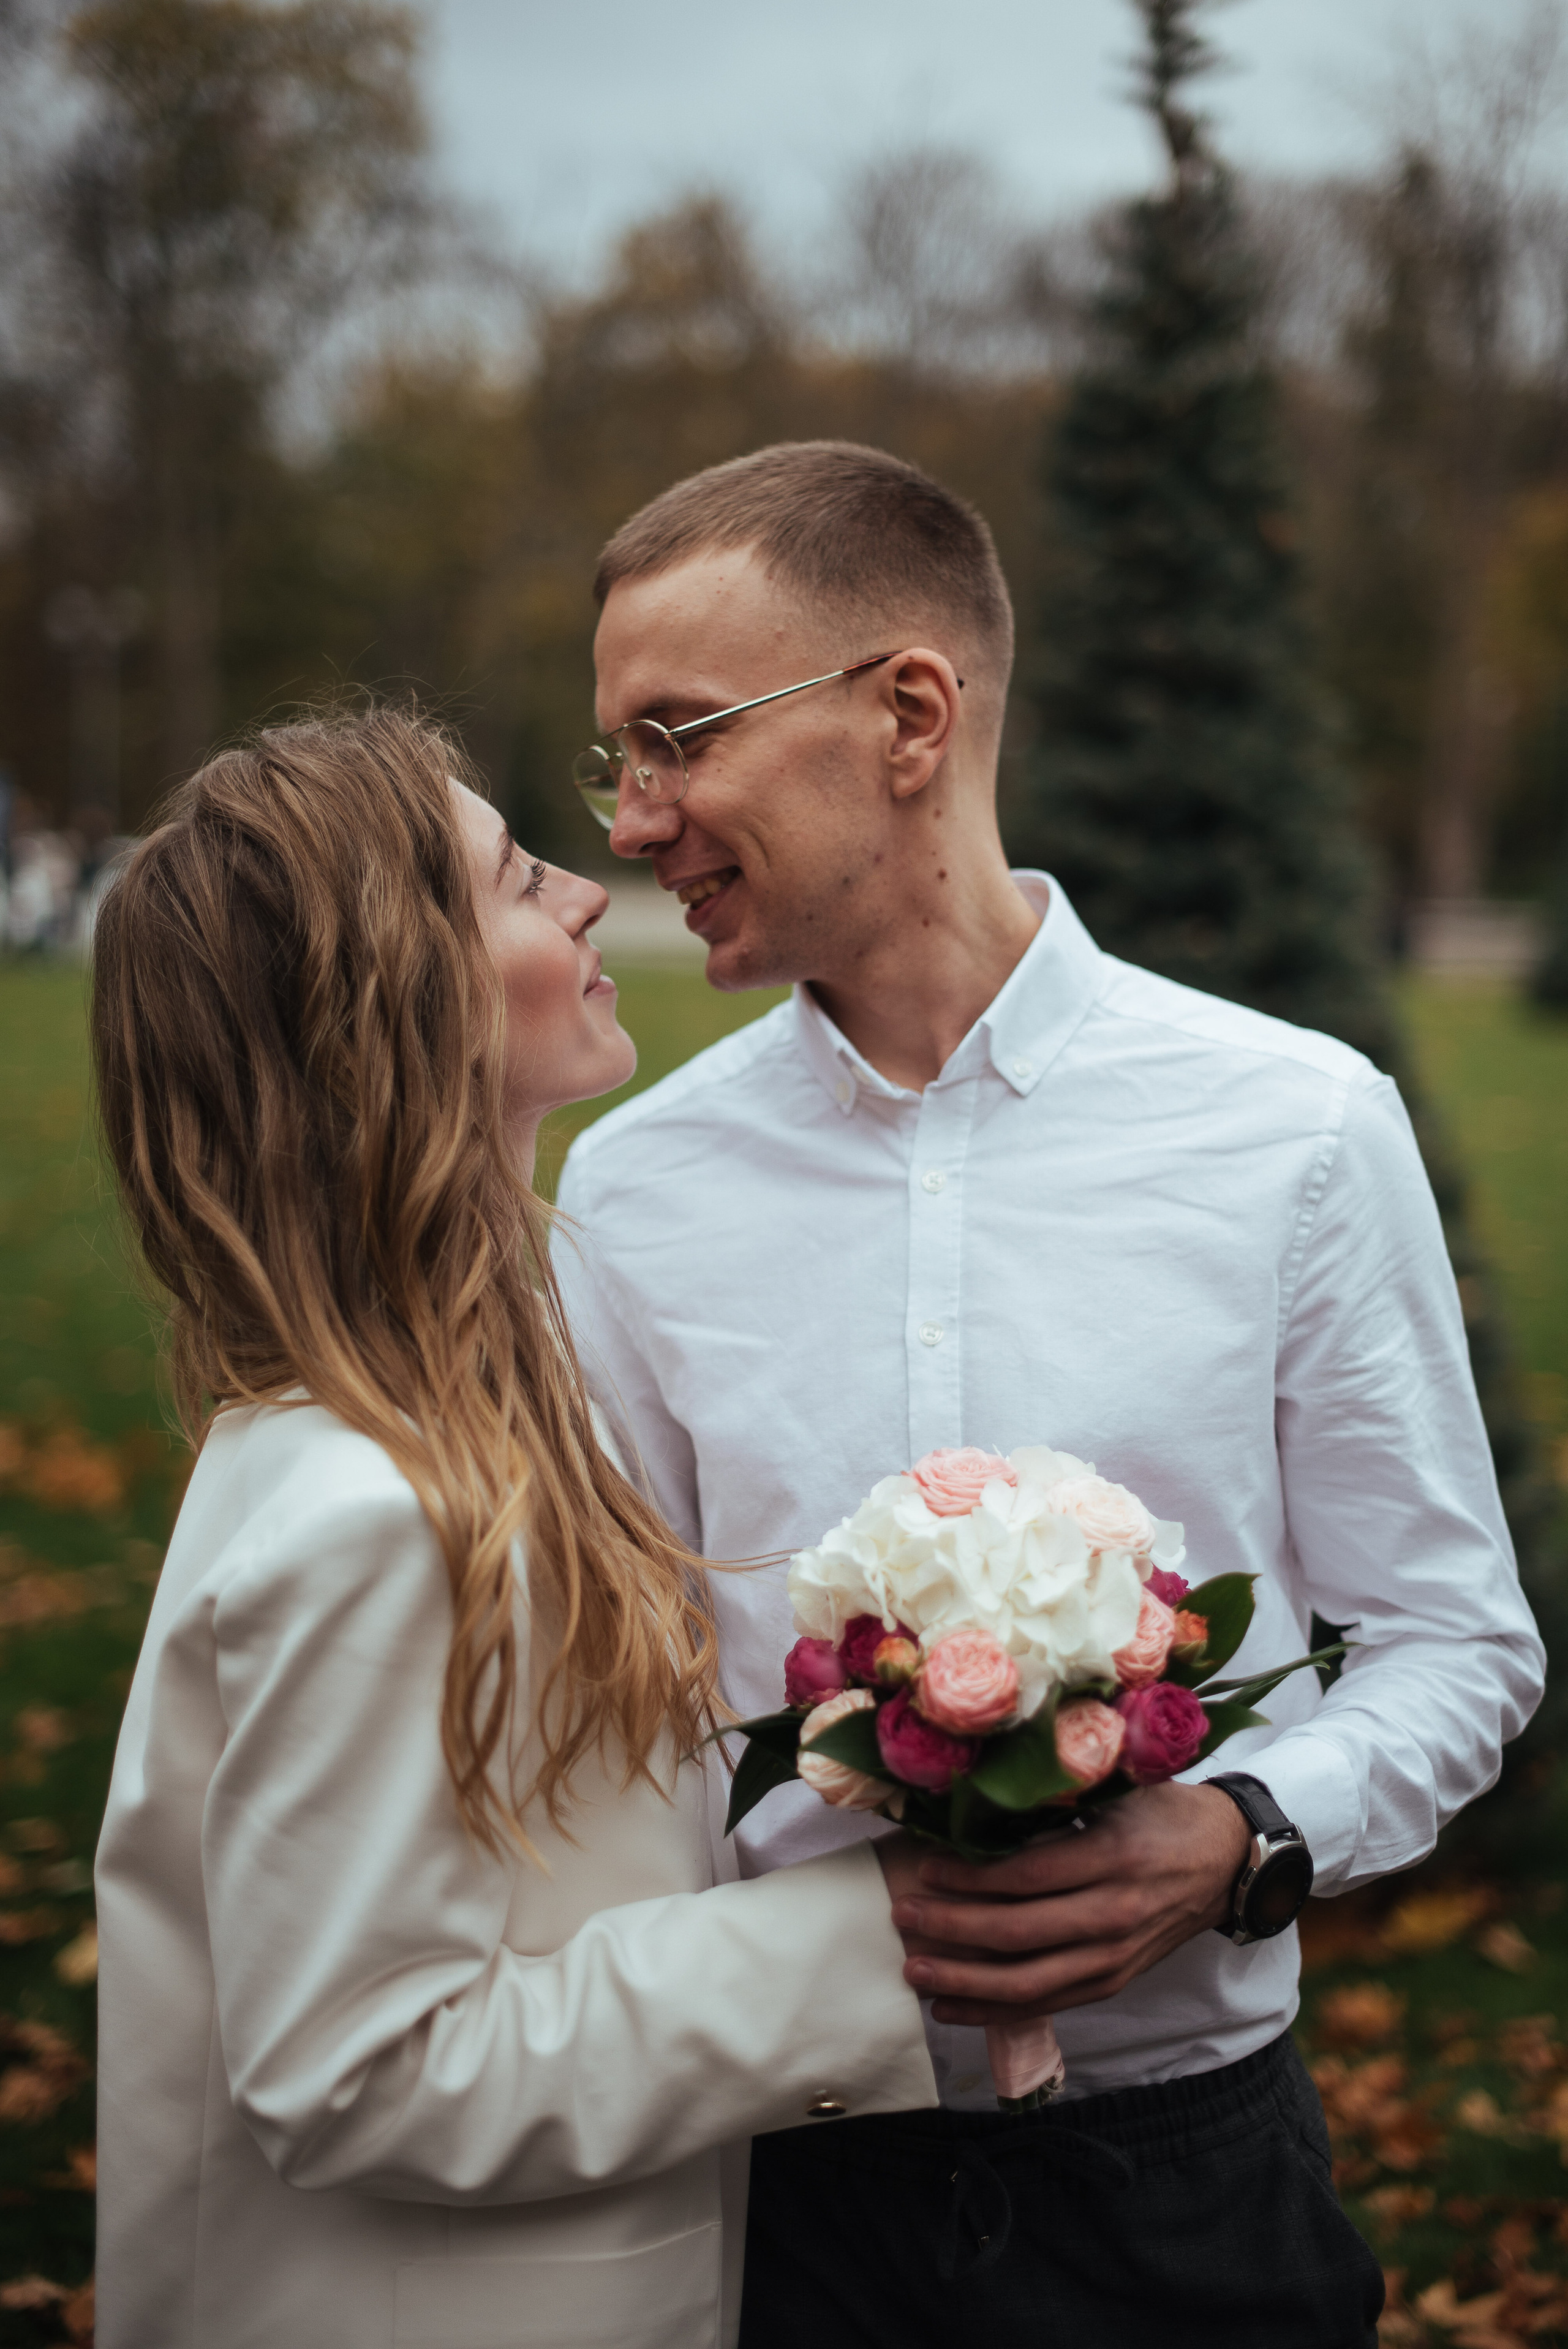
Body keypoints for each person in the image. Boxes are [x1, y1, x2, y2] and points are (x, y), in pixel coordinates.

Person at [551, 441, 1547, 2347]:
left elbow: (1455, 1640)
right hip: (783, 2188)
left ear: (909, 716)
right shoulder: (632, 1190)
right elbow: (630, 1709)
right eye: (620, 758)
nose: (636, 816)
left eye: (676, 737)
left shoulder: (1296, 1129)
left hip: (1195, 2194)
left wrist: (1245, 1830)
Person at [89, 708, 946, 2349]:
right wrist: (874, 1936)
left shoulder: (488, 1398)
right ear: (394, 1005)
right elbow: (354, 2067)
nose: (587, 885)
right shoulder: (366, 1512)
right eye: (513, 879)